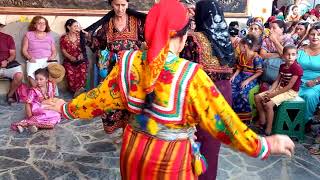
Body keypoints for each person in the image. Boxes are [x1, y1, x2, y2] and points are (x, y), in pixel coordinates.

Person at [43, 0, 295, 179]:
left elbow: (99, 98)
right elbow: (223, 122)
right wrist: (263, 145)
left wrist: (66, 108)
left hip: (132, 154)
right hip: (170, 163)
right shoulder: (190, 76)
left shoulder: (128, 62)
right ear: (184, 36)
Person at [180, 1, 236, 179]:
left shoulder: (193, 39)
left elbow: (184, 71)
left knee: (194, 142)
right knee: (212, 145)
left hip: (203, 95)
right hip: (224, 95)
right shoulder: (226, 40)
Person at [83, 0, 146, 136]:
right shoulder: (107, 24)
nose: (120, 8)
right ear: (111, 5)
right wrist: (87, 37)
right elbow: (98, 45)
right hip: (114, 70)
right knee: (116, 99)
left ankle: (131, 132)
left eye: (123, 5)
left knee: (132, 98)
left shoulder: (137, 21)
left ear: (128, 4)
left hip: (133, 69)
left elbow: (148, 38)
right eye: (117, 5)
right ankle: (123, 130)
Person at [255, 45, 303, 135]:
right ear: (283, 56)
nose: (290, 57)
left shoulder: (297, 68)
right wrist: (270, 91)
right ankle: (262, 119)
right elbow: (277, 80)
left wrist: (273, 94)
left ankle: (269, 128)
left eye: (293, 54)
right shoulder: (282, 66)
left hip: (290, 92)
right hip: (280, 88)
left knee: (269, 105)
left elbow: (289, 86)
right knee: (257, 97)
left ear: (296, 56)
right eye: (288, 54)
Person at [11, 65, 64, 133]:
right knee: (53, 114)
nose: (38, 81)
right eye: (36, 79)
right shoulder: (33, 90)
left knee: (57, 114)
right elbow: (27, 104)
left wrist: (53, 105)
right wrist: (29, 116)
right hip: (38, 107)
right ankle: (26, 123)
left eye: (41, 79)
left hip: (47, 105)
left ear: (47, 79)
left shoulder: (50, 85)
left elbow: (51, 97)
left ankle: (34, 125)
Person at [231, 34, 264, 121]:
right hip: (241, 75)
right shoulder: (241, 55)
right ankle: (232, 113)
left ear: (245, 46)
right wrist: (234, 76)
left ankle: (244, 117)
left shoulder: (257, 58)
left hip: (252, 78)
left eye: (240, 46)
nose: (239, 48)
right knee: (231, 88)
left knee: (242, 93)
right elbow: (239, 68)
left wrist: (248, 81)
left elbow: (259, 72)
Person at [22, 16, 57, 87]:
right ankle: (37, 92)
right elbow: (24, 50)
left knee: (55, 71)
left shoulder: (49, 36)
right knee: (30, 72)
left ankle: (51, 92)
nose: (42, 25)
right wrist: (29, 57)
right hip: (34, 59)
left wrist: (52, 57)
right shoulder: (29, 34)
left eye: (44, 23)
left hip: (47, 59)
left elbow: (54, 50)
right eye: (39, 23)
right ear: (34, 25)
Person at [297, 25, 320, 122]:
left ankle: (305, 121)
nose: (315, 37)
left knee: (309, 96)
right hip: (298, 81)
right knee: (290, 94)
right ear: (308, 36)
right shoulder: (302, 49)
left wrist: (315, 81)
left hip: (316, 83)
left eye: (318, 34)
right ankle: (290, 122)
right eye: (312, 34)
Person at [260, 20, 294, 84]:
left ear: (282, 29)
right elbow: (262, 55)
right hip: (268, 70)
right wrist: (280, 54)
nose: (271, 30)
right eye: (270, 28)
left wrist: (275, 41)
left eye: (274, 28)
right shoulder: (267, 39)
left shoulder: (288, 40)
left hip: (283, 72)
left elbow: (288, 55)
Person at [60, 19, 88, 97]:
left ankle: (80, 90)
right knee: (70, 72)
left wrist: (82, 54)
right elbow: (63, 49)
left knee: (82, 69)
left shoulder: (81, 36)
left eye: (77, 26)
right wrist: (70, 57)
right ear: (69, 27)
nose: (77, 28)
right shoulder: (64, 38)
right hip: (69, 60)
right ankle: (75, 91)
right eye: (75, 26)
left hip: (80, 60)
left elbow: (84, 48)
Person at [0, 24, 24, 104]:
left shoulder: (8, 38)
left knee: (19, 75)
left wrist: (7, 61)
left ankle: (10, 95)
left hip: (7, 65)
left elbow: (13, 54)